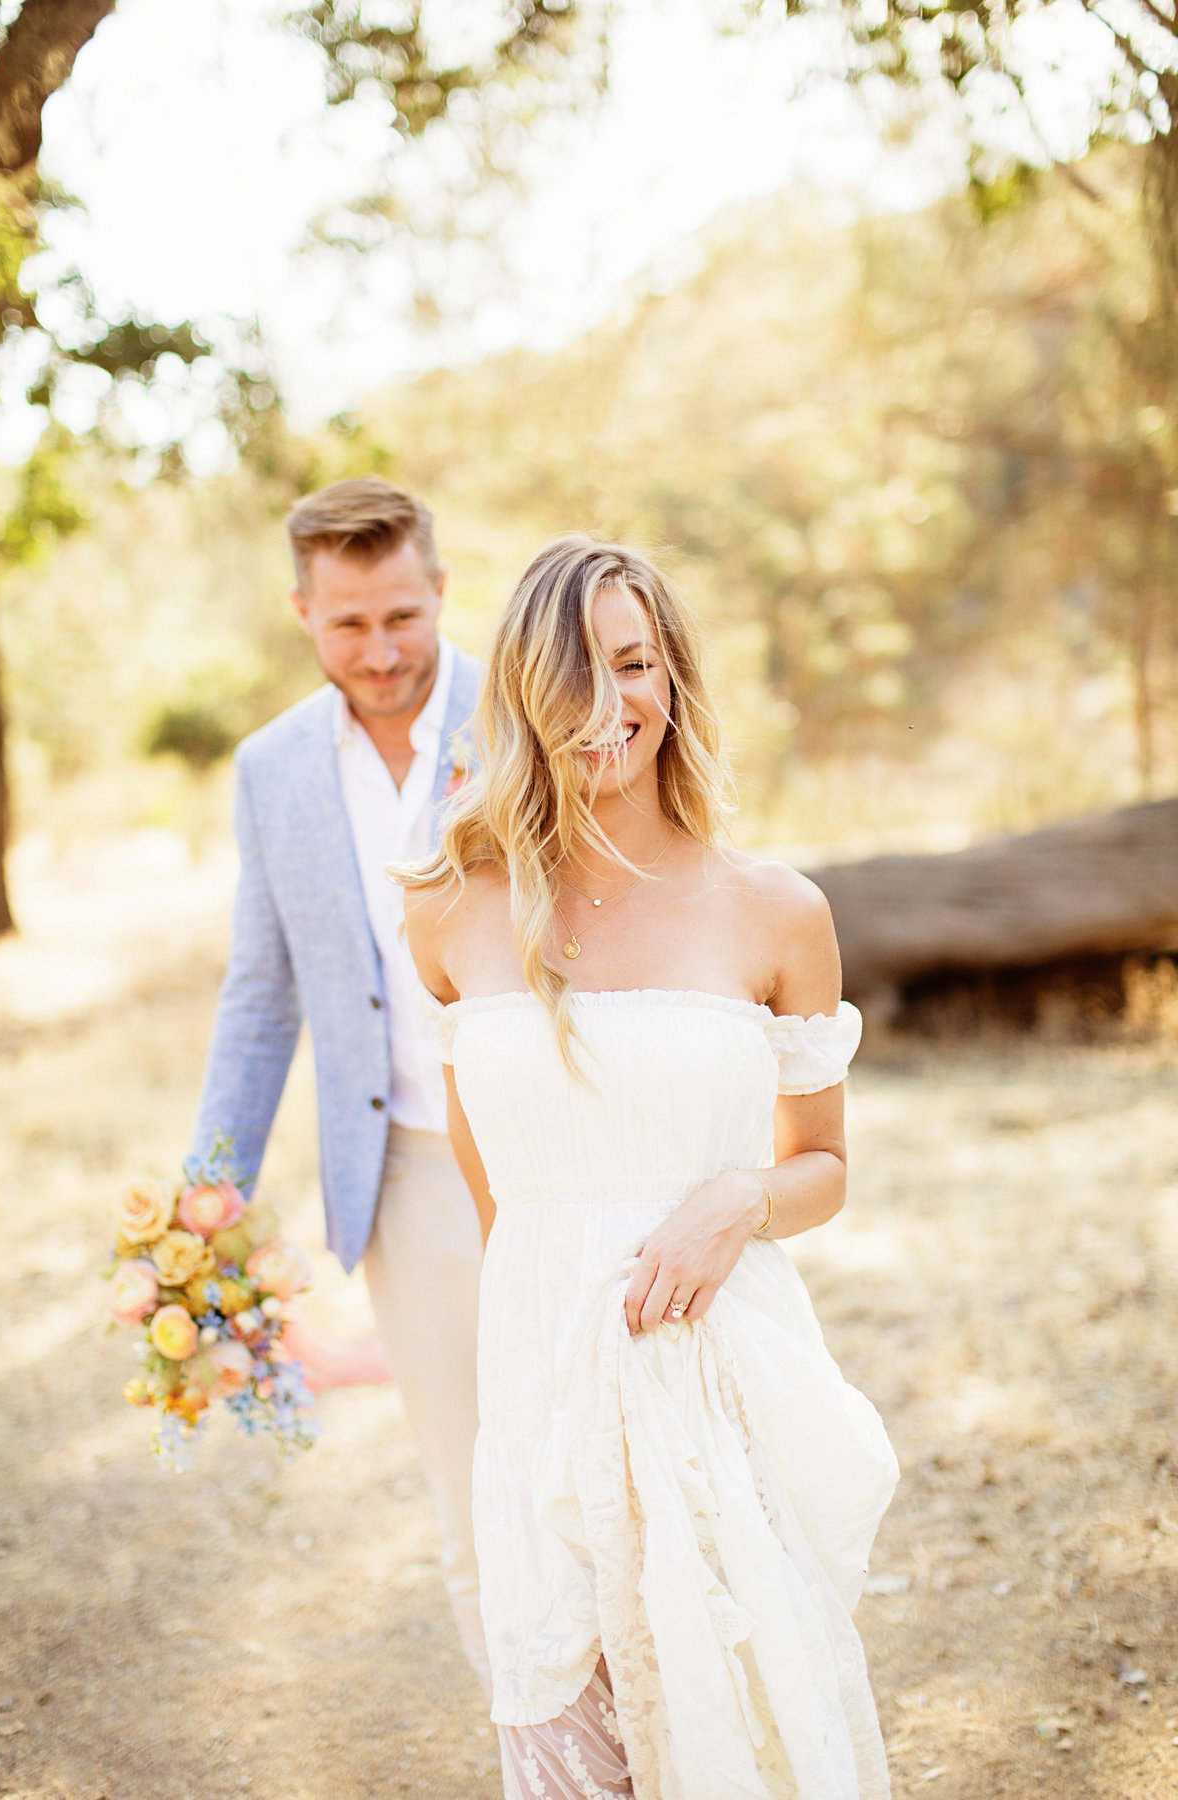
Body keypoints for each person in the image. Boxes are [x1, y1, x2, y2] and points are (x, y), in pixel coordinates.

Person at [400, 535, 900, 1799]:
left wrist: (740, 1201)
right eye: (570, 673)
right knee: (573, 1743)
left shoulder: (776, 911)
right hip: (543, 1382)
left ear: (672, 675)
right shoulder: (452, 904)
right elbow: (492, 1196)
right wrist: (542, 1368)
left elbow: (825, 1164)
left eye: (633, 664)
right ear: (517, 693)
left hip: (717, 1380)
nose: (606, 705)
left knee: (748, 1740)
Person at [190, 477, 488, 1693]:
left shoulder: (534, 710)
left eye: (404, 618)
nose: (381, 652)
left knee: (599, 1467)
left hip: (560, 1154)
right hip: (403, 1174)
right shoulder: (270, 771)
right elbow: (262, 995)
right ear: (303, 612)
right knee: (469, 1490)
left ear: (440, 593)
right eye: (350, 624)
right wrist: (210, 1198)